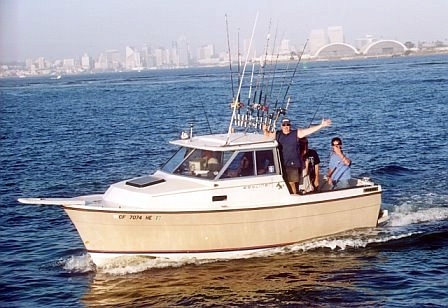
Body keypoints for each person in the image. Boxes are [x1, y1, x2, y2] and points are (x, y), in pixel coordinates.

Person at [264, 118, 332, 194]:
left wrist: (321, 125)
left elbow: (308, 131)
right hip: (281, 165)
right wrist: (265, 129)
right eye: (284, 125)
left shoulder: (296, 133)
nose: (286, 127)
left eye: (288, 125)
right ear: (281, 126)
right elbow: (267, 135)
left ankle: (295, 197)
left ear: (290, 126)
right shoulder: (278, 134)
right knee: (284, 184)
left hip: (293, 165)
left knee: (292, 183)